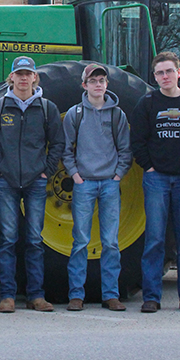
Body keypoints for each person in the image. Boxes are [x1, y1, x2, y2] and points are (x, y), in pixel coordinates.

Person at [0, 56, 63, 313]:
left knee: (35, 241)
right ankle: (8, 295)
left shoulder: (47, 109)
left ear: (35, 77)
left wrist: (46, 172)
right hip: (7, 182)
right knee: (7, 240)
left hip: (36, 183)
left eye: (28, 73)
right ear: (12, 77)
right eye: (20, 74)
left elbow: (57, 143)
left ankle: (36, 296)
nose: (24, 78)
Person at [131, 51, 180, 313]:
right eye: (159, 73)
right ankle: (151, 297)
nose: (164, 76)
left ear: (179, 72)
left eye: (168, 71)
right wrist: (150, 168)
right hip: (157, 180)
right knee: (154, 239)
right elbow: (138, 142)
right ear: (154, 77)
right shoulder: (147, 103)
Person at [63, 63, 132, 312]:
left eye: (101, 80)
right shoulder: (75, 113)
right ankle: (76, 296)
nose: (98, 84)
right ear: (84, 85)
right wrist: (75, 175)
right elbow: (65, 148)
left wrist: (118, 175)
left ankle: (111, 295)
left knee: (111, 242)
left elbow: (125, 149)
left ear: (106, 84)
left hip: (110, 184)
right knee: (80, 240)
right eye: (93, 81)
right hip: (84, 184)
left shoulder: (117, 115)